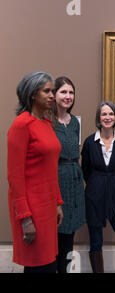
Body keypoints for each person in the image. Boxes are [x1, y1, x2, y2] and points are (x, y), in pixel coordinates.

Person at [7, 71, 64, 273]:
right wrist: (25, 217)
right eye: (46, 91)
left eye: (53, 91)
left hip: (48, 206)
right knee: (38, 266)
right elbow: (14, 177)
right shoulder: (21, 124)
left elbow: (50, 168)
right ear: (32, 94)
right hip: (32, 208)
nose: (52, 95)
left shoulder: (47, 124)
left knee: (49, 263)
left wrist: (57, 202)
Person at [81, 101, 115, 273]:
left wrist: (109, 182)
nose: (107, 117)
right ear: (98, 118)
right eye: (104, 114)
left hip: (114, 199)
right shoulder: (90, 142)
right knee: (96, 244)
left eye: (110, 114)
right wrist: (97, 185)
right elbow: (86, 171)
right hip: (93, 199)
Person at [52, 76, 86, 273]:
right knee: (54, 235)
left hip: (74, 182)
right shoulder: (46, 122)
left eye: (71, 92)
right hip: (56, 181)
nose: (68, 96)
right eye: (63, 92)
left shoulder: (74, 122)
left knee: (68, 237)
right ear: (54, 94)